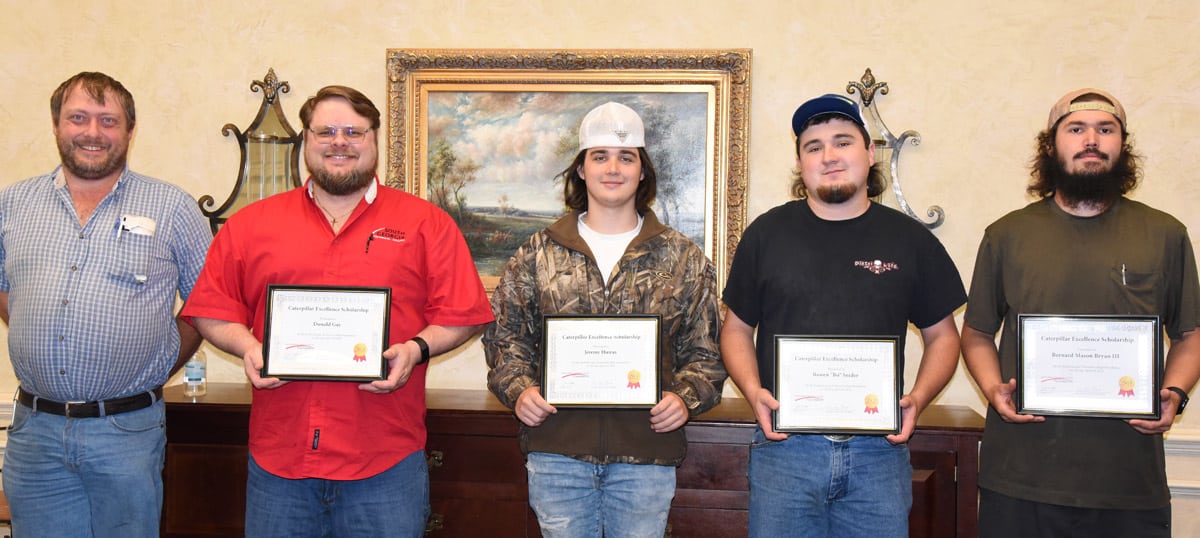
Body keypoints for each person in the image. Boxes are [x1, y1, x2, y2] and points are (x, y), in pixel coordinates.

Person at [181, 85, 493, 537]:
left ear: (374, 139)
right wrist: (247, 346)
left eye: (353, 131)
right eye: (325, 131)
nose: (339, 142)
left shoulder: (427, 223)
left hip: (384, 458)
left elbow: (462, 313)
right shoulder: (252, 224)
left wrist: (416, 349)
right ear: (306, 140)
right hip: (280, 459)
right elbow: (210, 308)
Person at [720, 94, 965, 537]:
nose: (829, 156)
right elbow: (736, 329)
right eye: (813, 147)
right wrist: (753, 390)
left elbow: (944, 337)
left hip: (879, 455)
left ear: (870, 154)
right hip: (785, 450)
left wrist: (918, 400)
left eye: (843, 142)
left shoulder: (911, 240)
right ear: (800, 163)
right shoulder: (766, 235)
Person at [960, 88, 1200, 537]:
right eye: (1076, 129)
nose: (1092, 139)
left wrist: (1175, 392)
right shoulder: (1007, 234)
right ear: (1051, 146)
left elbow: (1190, 334)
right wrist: (994, 390)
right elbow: (976, 334)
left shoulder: (1165, 234)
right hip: (1019, 478)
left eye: (1105, 129)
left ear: (1122, 145)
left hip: (1128, 484)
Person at [484, 101, 727, 537]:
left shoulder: (683, 257)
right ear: (581, 169)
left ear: (642, 170)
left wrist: (685, 397)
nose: (612, 168)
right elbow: (506, 339)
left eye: (625, 157)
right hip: (557, 452)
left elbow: (707, 351)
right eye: (599, 156)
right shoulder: (537, 252)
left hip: (646, 456)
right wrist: (520, 391)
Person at [0, 71, 212, 537]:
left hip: (126, 433)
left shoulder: (173, 207)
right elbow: (6, 286)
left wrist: (155, 366)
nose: (93, 133)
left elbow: (207, 300)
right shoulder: (12, 204)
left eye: (108, 121)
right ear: (56, 125)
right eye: (78, 118)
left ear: (130, 131)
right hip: (34, 433)